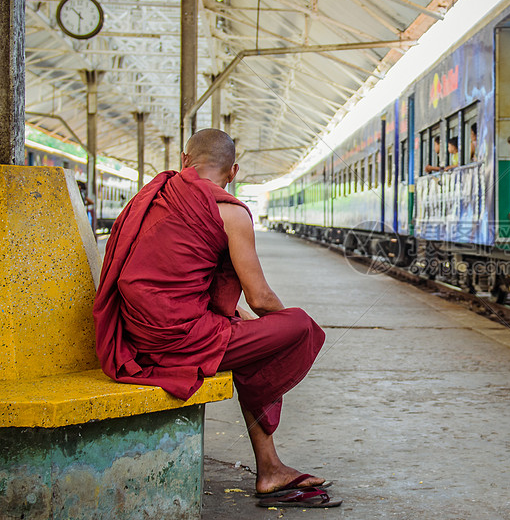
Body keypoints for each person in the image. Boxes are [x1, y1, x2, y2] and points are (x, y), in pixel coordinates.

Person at [92, 129, 333, 504]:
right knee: (297, 326)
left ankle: (270, 468)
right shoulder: (232, 213)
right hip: (179, 339)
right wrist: (282, 325)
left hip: (132, 336)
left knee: (244, 334)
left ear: (184, 161)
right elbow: (261, 298)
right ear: (233, 172)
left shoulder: (154, 194)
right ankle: (269, 468)